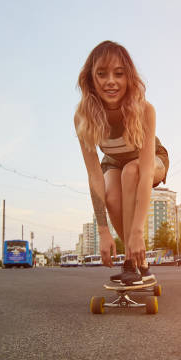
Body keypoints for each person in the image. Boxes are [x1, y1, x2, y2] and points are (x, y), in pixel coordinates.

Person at [74, 40, 169, 285]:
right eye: (102, 74)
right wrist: (104, 233)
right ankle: (141, 265)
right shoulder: (83, 117)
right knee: (112, 196)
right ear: (90, 79)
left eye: (119, 73)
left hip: (150, 160)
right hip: (113, 162)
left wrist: (137, 231)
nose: (110, 82)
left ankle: (131, 261)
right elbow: (94, 176)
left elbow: (146, 171)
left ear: (129, 77)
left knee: (131, 171)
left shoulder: (145, 110)